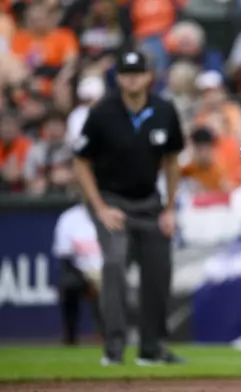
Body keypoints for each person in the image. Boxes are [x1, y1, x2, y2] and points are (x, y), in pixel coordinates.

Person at [73, 50, 185, 366]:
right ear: (118, 77)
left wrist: (170, 208)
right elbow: (81, 163)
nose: (132, 78)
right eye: (126, 72)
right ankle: (114, 349)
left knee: (159, 271)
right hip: (112, 201)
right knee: (114, 264)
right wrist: (100, 208)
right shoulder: (102, 113)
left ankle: (152, 349)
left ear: (149, 76)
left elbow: (172, 161)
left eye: (137, 72)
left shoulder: (164, 110)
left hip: (150, 202)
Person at [52, 202, 104, 346]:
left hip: (107, 271)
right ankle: (70, 336)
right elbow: (64, 255)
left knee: (111, 283)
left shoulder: (111, 213)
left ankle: (108, 334)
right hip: (80, 271)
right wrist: (86, 277)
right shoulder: (70, 218)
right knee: (69, 285)